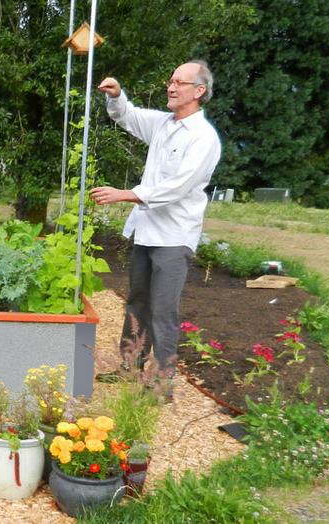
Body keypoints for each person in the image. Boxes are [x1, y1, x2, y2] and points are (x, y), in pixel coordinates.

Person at [89, 60, 222, 399]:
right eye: (171, 81)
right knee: (137, 303)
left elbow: (178, 187)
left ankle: (162, 384)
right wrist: (117, 95)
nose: (171, 87)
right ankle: (129, 366)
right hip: (147, 232)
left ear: (199, 91)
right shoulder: (163, 124)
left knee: (163, 310)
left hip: (174, 238)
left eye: (179, 82)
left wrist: (127, 194)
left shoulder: (204, 138)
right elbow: (129, 116)